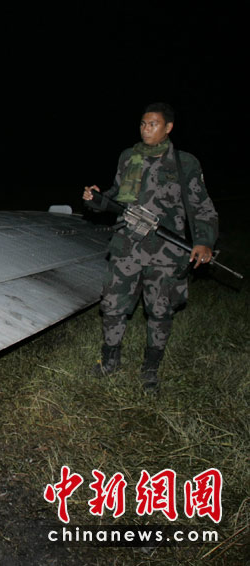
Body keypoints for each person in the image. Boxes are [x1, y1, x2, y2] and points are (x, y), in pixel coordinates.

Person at [82, 102, 218, 393]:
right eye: (143, 124)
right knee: (112, 306)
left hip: (165, 253)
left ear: (168, 127)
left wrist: (204, 241)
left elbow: (202, 207)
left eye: (153, 124)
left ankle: (151, 368)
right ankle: (109, 361)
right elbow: (116, 195)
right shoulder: (128, 157)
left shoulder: (184, 163)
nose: (146, 129)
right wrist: (96, 200)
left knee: (160, 311)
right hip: (126, 247)